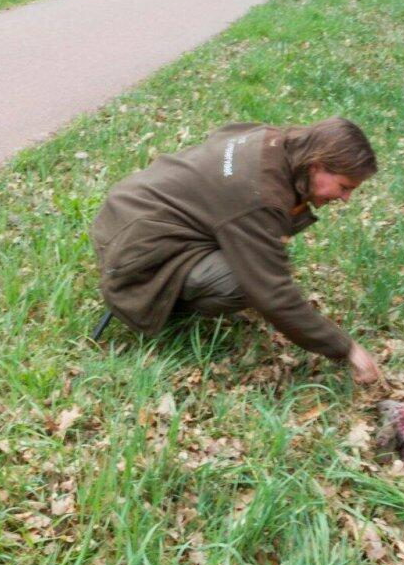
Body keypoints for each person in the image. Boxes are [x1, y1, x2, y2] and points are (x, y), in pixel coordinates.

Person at [90, 117, 383, 383]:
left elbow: (224, 131)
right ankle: (166, 304)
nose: (346, 198)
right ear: (317, 165)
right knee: (246, 283)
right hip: (135, 252)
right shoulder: (262, 198)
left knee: (255, 261)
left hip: (123, 212)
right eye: (344, 187)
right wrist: (346, 348)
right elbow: (273, 294)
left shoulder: (270, 138)